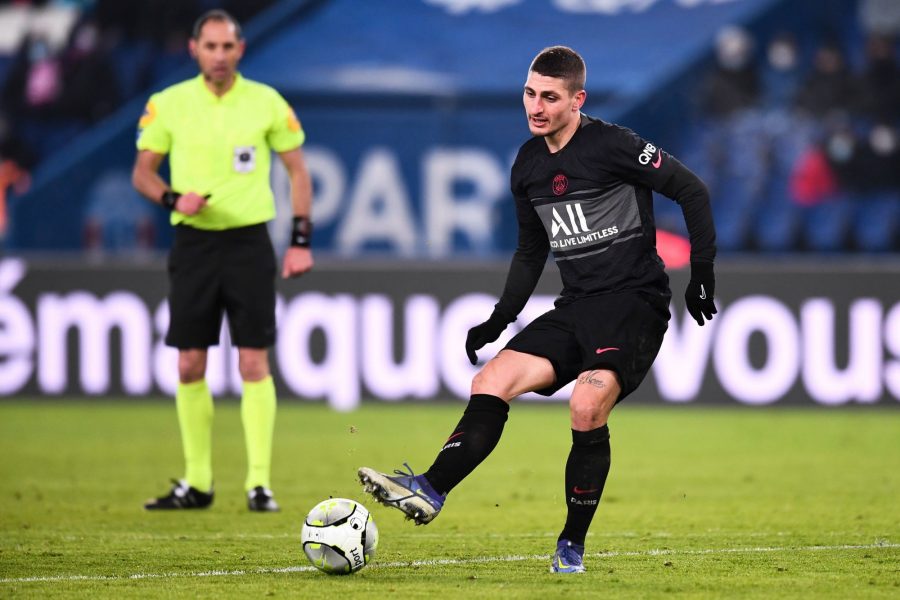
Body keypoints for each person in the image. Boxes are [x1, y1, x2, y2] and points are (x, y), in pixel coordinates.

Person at [358, 46, 716, 574]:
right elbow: (531, 251)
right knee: (490, 381)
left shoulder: (614, 145)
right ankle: (430, 488)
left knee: (586, 405)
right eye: (530, 93)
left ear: (577, 100)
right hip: (577, 307)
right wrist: (501, 317)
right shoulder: (527, 164)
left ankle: (571, 545)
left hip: (633, 305)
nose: (536, 105)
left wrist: (702, 272)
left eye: (550, 96)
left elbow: (691, 189)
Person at [132, 9, 313, 512]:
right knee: (190, 362)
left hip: (249, 244)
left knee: (253, 360)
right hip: (193, 243)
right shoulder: (167, 104)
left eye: (226, 47)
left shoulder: (266, 102)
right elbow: (143, 174)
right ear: (194, 50)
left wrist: (300, 239)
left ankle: (259, 484)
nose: (218, 55)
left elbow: (298, 172)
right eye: (209, 47)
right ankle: (197, 482)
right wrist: (172, 199)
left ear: (241, 49)